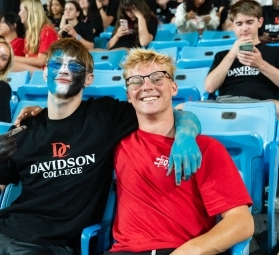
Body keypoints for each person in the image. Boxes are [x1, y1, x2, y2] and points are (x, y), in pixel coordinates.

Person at [0, 38, 202, 255]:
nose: (64, 70)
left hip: (51, 246)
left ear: (88, 79)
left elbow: (175, 112)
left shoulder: (105, 116)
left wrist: (186, 137)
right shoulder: (23, 130)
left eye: (74, 66)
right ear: (45, 72)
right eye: (57, 64)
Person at [108, 48, 254, 255]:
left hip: (181, 249)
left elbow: (242, 222)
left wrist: (189, 251)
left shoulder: (206, 148)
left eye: (157, 78)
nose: (147, 86)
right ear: (128, 95)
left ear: (174, 87)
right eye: (136, 81)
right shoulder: (116, 144)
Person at [205, 0, 279, 114]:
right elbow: (209, 87)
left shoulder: (275, 52)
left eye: (249, 22)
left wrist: (260, 64)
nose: (244, 28)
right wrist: (232, 54)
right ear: (233, 26)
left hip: (263, 105)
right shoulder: (223, 55)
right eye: (239, 24)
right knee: (181, 108)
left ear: (260, 22)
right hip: (224, 105)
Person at [12, 0, 58, 74]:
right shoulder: (30, 33)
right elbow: (27, 58)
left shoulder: (47, 31)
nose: (19, 14)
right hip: (36, 71)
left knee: (11, 65)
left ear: (29, 11)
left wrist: (12, 58)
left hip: (48, 73)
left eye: (21, 10)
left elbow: (41, 61)